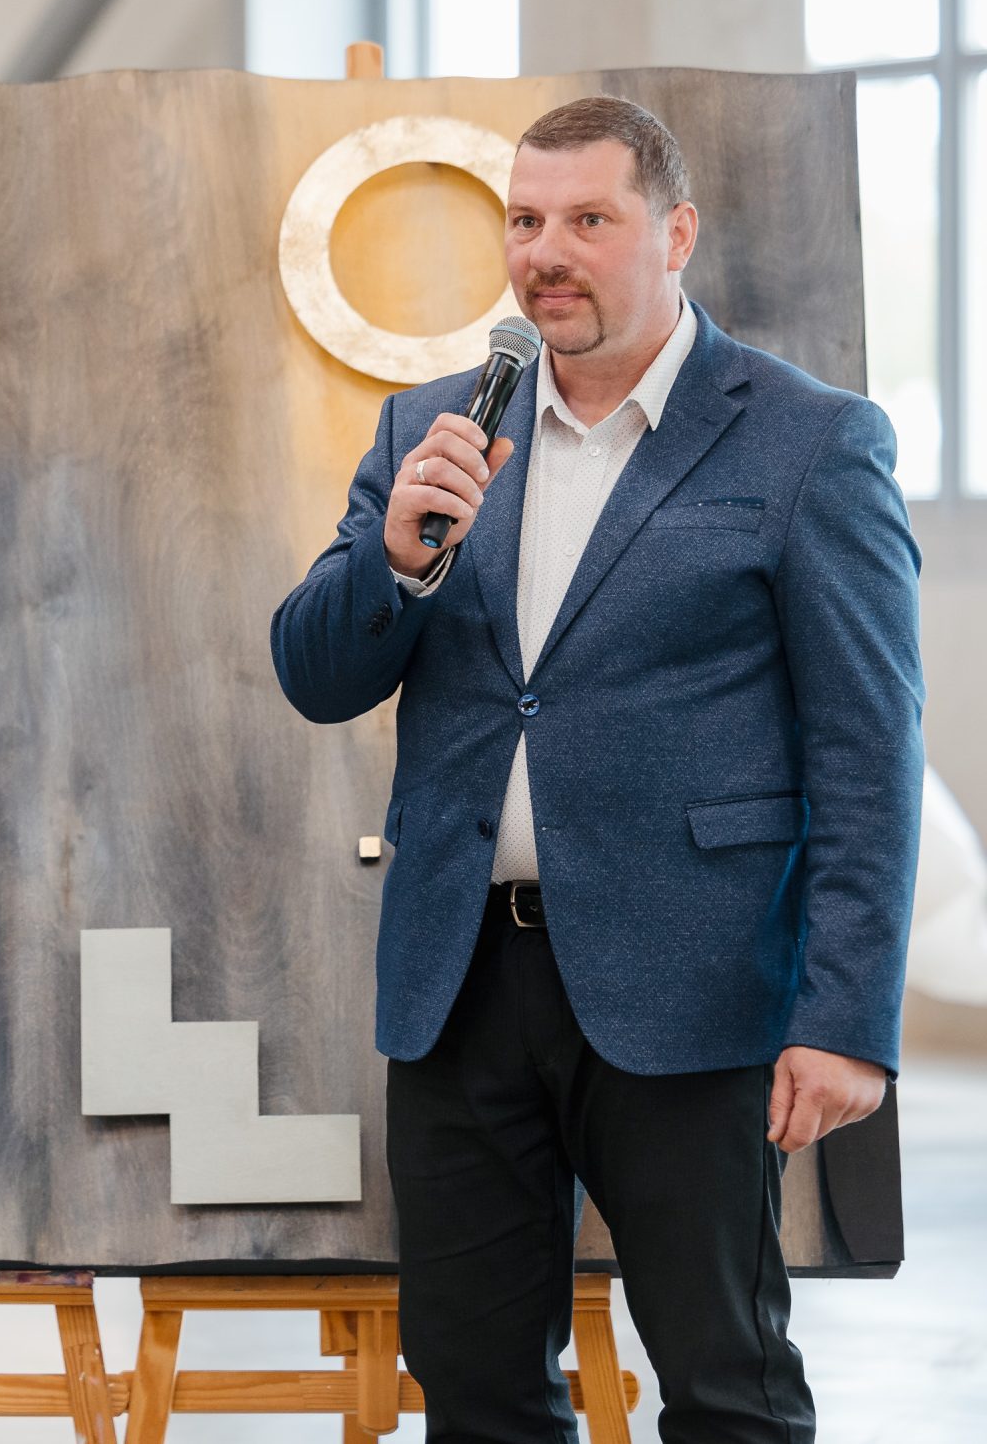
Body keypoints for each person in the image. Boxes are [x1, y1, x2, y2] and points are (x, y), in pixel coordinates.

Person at [270, 95, 922, 1441]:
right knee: (476, 1392)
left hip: (693, 984)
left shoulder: (807, 440)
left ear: (674, 234)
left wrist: (849, 1017)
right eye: (524, 221)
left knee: (727, 1388)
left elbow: (868, 749)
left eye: (588, 220)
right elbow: (317, 674)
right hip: (460, 985)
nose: (546, 253)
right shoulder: (433, 431)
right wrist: (396, 559)